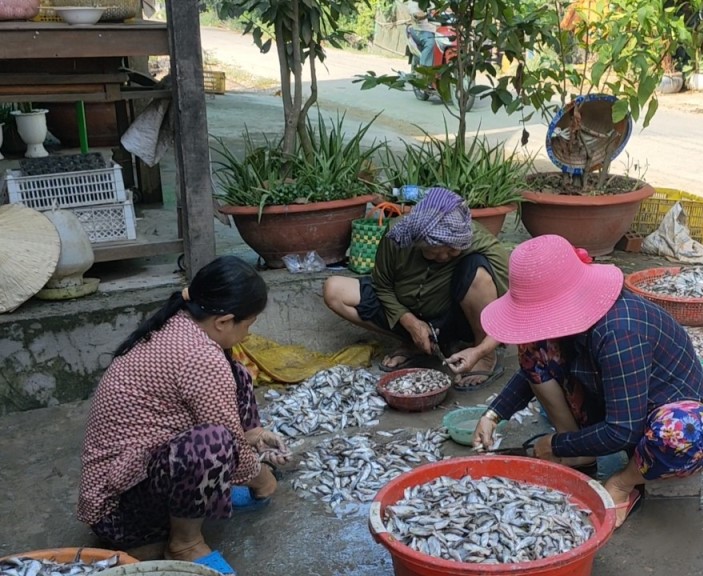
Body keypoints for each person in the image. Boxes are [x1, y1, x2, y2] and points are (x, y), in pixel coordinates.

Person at [472, 235, 703, 530]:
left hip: (659, 414)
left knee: (683, 434)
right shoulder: (571, 322)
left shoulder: (620, 330)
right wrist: (494, 414)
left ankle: (622, 483)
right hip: (611, 401)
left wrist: (556, 444)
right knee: (532, 346)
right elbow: (533, 369)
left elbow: (623, 429)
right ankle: (580, 454)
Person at [78, 256, 290, 575]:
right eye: (248, 324)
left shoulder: (183, 318)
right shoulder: (200, 358)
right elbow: (225, 439)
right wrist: (262, 479)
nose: (248, 334)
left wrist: (254, 435)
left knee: (237, 374)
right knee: (212, 444)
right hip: (117, 512)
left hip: (139, 470)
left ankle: (204, 500)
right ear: (223, 321)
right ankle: (185, 543)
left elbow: (224, 408)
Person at [323, 187, 509, 390]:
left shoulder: (478, 241)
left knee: (478, 274)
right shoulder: (398, 236)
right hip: (407, 309)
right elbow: (382, 285)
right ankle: (414, 343)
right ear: (418, 243)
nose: (444, 257)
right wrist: (410, 322)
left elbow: (513, 303)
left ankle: (485, 356)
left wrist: (484, 349)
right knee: (334, 290)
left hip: (452, 317)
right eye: (435, 253)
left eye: (452, 252)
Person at [405, 1, 438, 68]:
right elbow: (418, 16)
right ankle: (424, 68)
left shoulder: (432, 2)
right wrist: (426, 14)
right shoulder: (412, 3)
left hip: (436, 30)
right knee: (430, 43)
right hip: (421, 31)